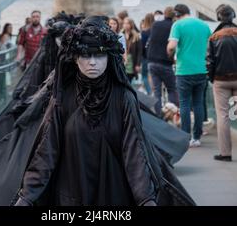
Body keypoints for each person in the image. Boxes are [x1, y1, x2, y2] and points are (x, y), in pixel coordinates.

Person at [14, 17, 195, 207]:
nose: (92, 62)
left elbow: (134, 152)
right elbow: (47, 149)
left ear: (109, 57)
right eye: (86, 55)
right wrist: (27, 196)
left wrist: (146, 199)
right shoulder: (63, 98)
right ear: (75, 59)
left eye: (99, 55)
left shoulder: (123, 97)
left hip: (114, 195)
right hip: (71, 194)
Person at [167, 4, 212, 147]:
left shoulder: (177, 25)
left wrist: (169, 53)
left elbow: (172, 46)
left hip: (184, 70)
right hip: (201, 69)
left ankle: (185, 136)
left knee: (185, 103)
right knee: (198, 103)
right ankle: (197, 137)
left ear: (177, 14)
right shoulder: (204, 25)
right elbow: (210, 46)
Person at [207, 4, 237, 162]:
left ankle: (225, 153)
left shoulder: (214, 37)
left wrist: (212, 78)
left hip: (221, 81)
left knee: (223, 116)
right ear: (233, 16)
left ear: (219, 17)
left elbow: (209, 61)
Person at [147, 7, 179, 116]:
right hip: (165, 62)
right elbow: (172, 46)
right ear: (174, 15)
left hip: (152, 61)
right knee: (172, 89)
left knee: (157, 91)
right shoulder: (173, 26)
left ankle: (158, 115)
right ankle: (172, 114)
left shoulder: (155, 25)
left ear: (164, 14)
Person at [123, 17, 142, 82]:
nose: (126, 25)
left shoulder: (136, 36)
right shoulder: (120, 34)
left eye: (128, 23)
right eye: (124, 23)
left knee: (129, 78)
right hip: (122, 60)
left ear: (131, 25)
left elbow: (139, 51)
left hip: (131, 61)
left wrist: (138, 64)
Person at [140, 13, 154, 95]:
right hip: (154, 57)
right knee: (153, 76)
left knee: (144, 76)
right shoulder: (155, 31)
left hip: (145, 57)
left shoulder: (144, 32)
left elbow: (142, 46)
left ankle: (149, 92)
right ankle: (154, 92)